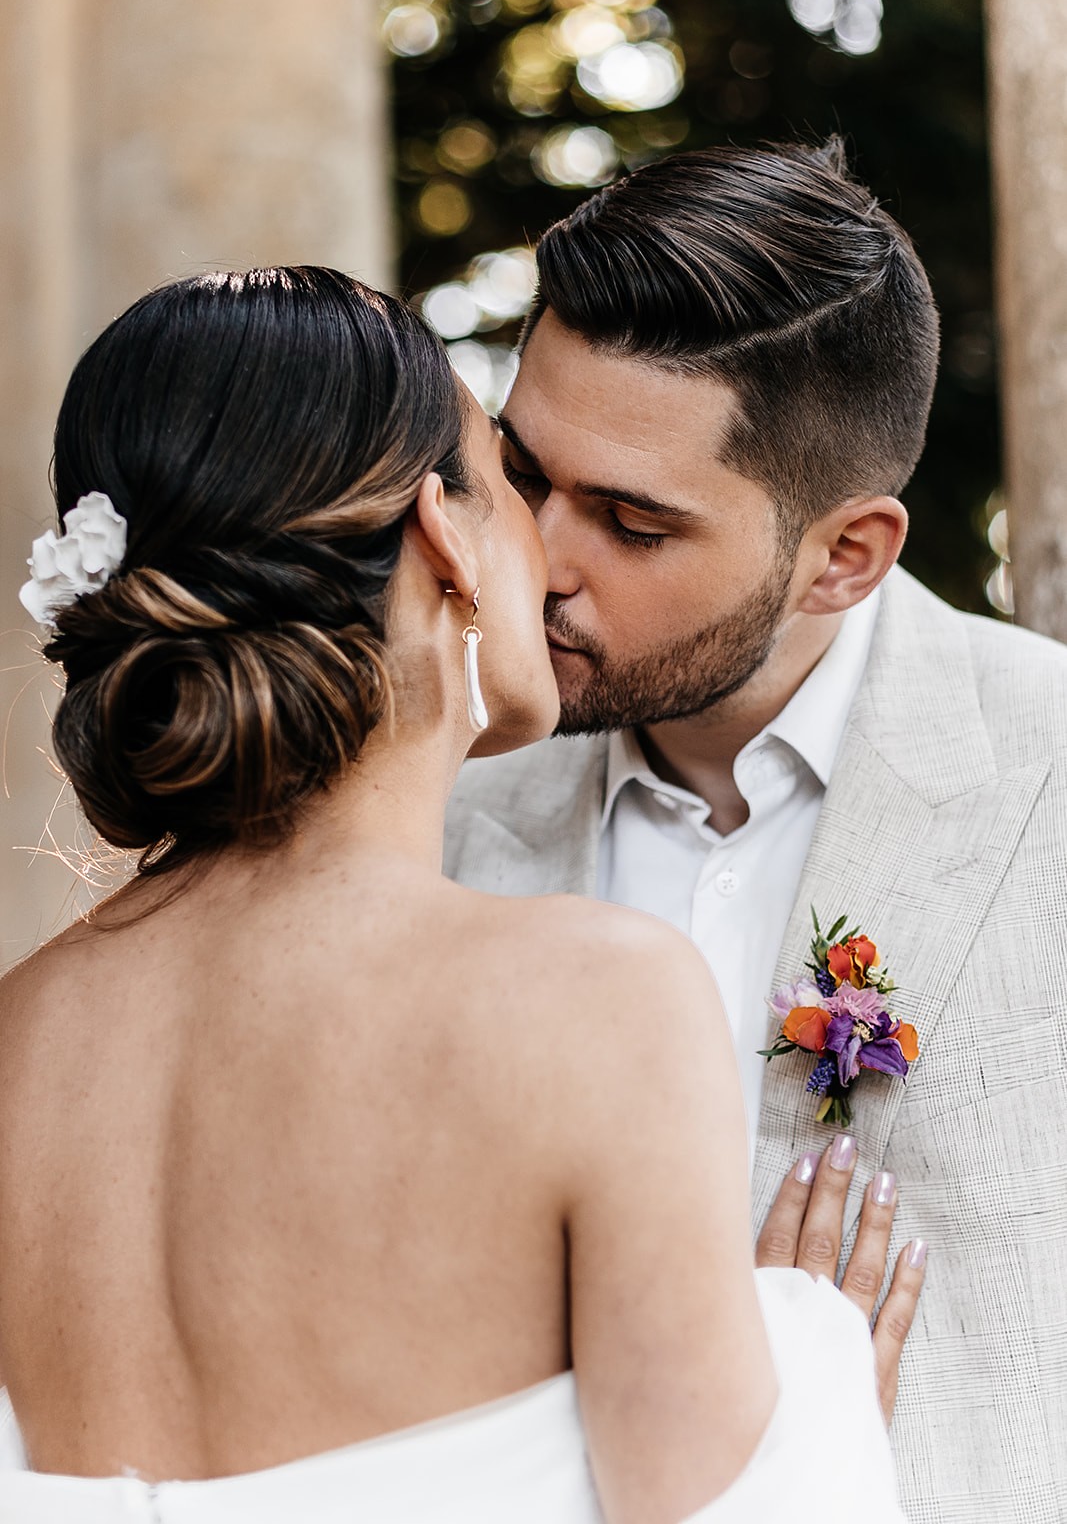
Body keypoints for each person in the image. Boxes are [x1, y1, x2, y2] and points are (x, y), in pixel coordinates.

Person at [0, 266, 917, 1523]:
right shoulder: (595, 998)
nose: (551, 555)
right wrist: (810, 1385)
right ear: (444, 535)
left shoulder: (18, 1037)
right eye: (512, 480)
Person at [443, 139, 1067, 1524]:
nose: (535, 560)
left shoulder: (1050, 776)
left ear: (842, 557)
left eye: (629, 523)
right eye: (522, 474)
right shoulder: (429, 815)